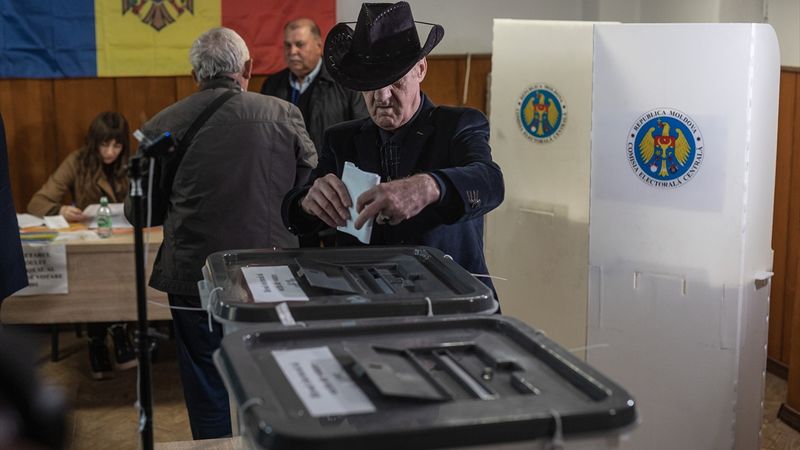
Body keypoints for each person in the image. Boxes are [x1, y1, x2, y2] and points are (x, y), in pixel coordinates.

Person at [125, 27, 316, 439]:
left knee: (206, 383)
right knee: (275, 376)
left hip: (194, 279)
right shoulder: (284, 114)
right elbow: (305, 189)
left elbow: (138, 212)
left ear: (195, 73)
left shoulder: (163, 125)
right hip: (270, 276)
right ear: (247, 68)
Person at [282, 1, 504, 291]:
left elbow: (491, 182)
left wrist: (429, 187)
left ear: (420, 69)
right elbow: (294, 210)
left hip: (448, 304)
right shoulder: (341, 140)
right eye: (371, 84)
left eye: (394, 81)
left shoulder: (459, 125)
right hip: (368, 306)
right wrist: (308, 203)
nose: (382, 96)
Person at [27, 111, 137, 381]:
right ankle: (106, 333)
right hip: (90, 250)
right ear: (93, 142)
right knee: (97, 270)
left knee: (124, 267)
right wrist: (60, 209)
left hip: (125, 247)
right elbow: (37, 202)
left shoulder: (133, 164)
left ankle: (107, 332)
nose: (110, 152)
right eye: (104, 144)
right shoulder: (78, 161)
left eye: (117, 145)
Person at [262, 17, 368, 248]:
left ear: (319, 46)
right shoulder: (272, 86)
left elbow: (362, 134)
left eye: (300, 44)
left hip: (337, 192)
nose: (292, 51)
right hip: (292, 195)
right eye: (287, 45)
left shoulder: (345, 84)